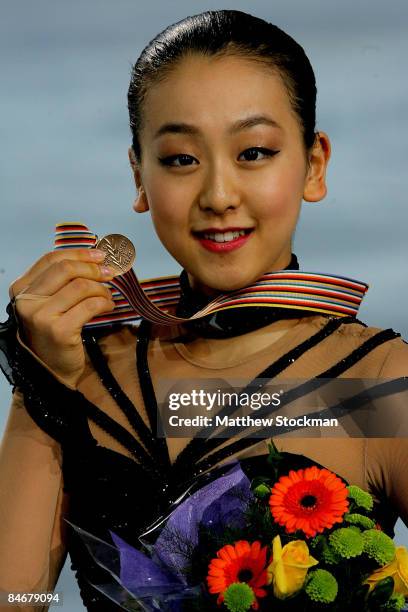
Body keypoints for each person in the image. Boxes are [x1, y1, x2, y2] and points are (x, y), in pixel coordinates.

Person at [0, 9, 407, 611]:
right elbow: (13, 598)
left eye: (256, 152)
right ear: (139, 174)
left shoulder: (376, 384)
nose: (218, 195)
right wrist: (46, 385)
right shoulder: (78, 372)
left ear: (314, 165)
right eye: (180, 159)